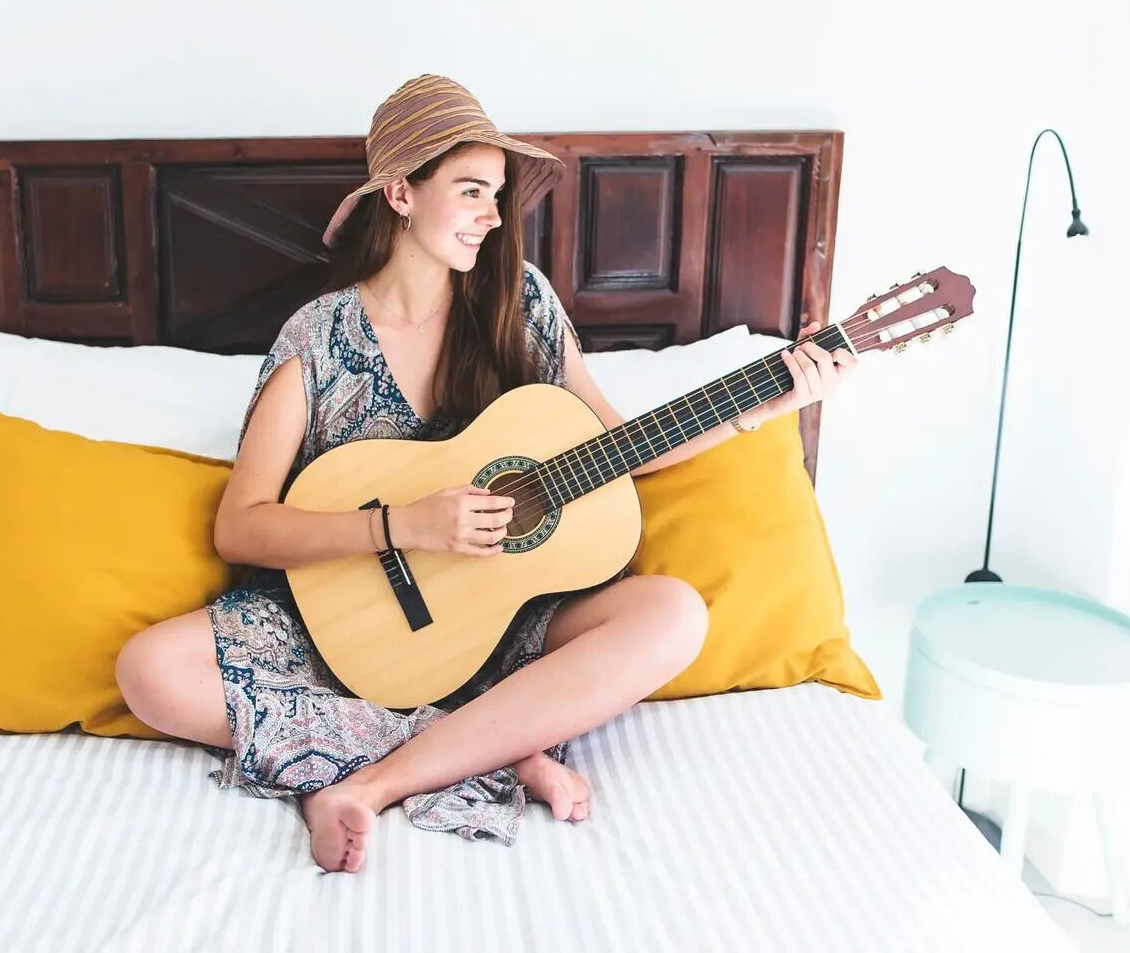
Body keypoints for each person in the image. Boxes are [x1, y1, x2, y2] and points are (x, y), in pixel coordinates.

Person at [117, 74, 855, 873]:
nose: (494, 217)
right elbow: (242, 524)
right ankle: (496, 748)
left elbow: (617, 445)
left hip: (495, 628)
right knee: (149, 671)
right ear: (401, 192)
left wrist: (763, 404)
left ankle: (374, 779)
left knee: (673, 615)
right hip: (336, 621)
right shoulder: (319, 338)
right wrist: (403, 525)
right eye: (471, 191)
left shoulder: (521, 304)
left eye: (498, 196)